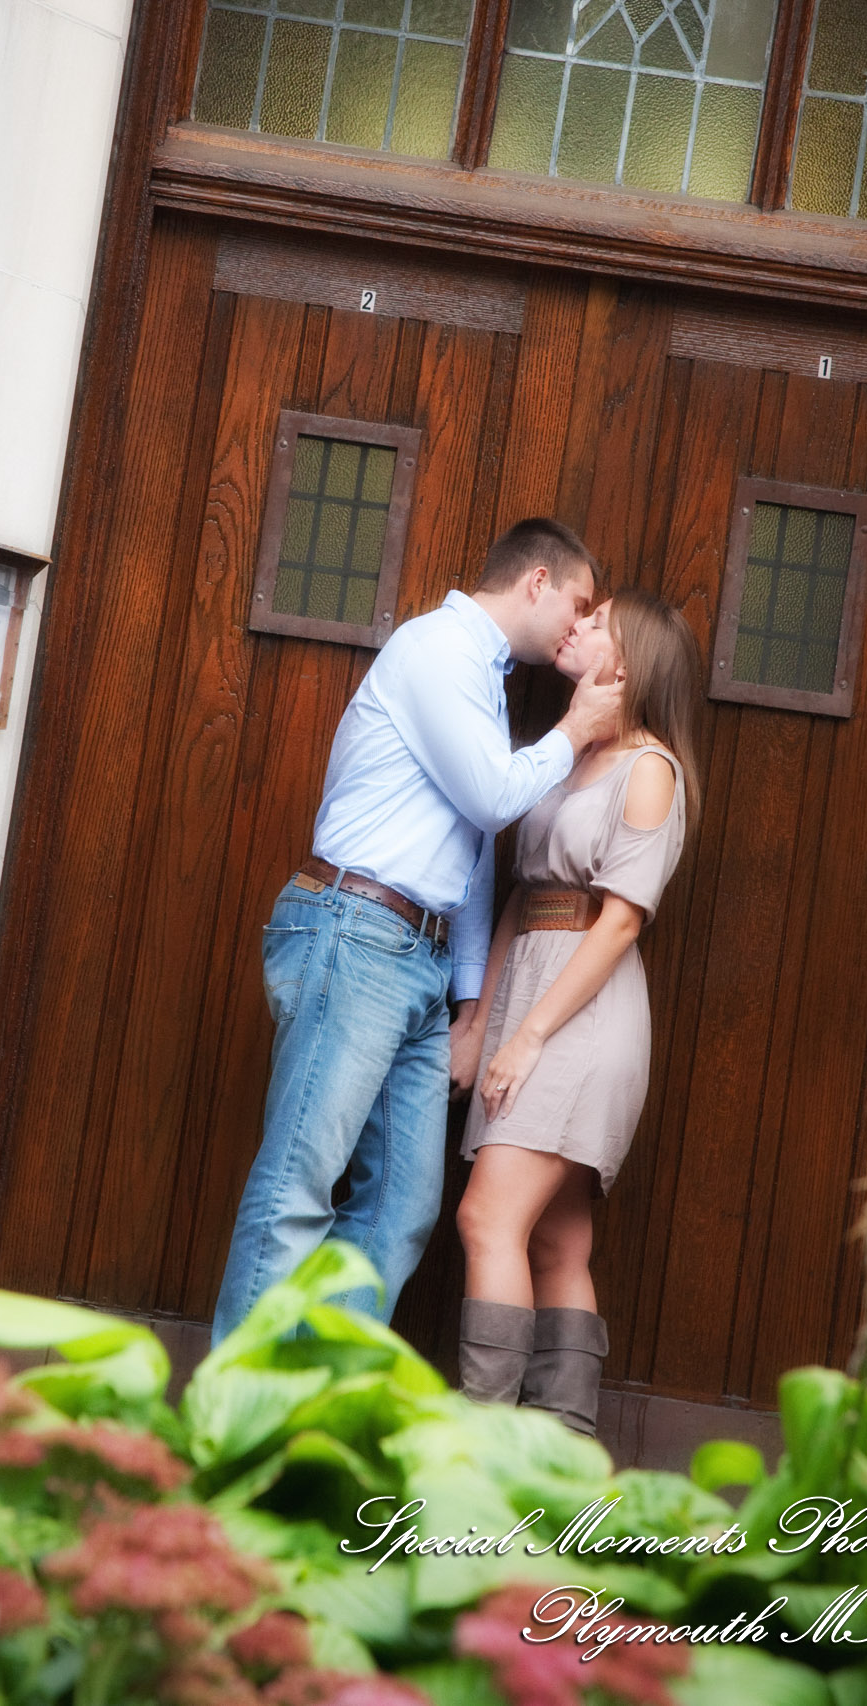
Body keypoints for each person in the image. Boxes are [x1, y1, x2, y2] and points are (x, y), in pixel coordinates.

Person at [211, 518, 624, 1343]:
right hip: (355, 931)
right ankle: (234, 1433)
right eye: (576, 605)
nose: (579, 628)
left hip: (414, 961)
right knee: (302, 1182)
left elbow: (468, 860)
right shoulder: (435, 649)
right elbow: (491, 798)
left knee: (401, 1208)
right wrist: (574, 731)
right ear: (535, 582)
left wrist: (471, 1005)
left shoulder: (481, 678)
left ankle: (319, 1411)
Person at [450, 588, 703, 1436]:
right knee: (558, 1245)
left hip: (583, 1017)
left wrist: (526, 1037)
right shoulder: (567, 754)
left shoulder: (651, 770)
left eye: (598, 624)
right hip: (528, 991)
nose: (579, 626)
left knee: (487, 1217)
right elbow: (525, 896)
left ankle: (485, 1455)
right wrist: (482, 1019)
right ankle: (562, 1462)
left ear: (626, 662)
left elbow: (622, 919)